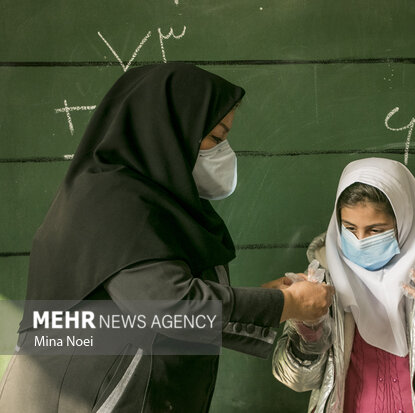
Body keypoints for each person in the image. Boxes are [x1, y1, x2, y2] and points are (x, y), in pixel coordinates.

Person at [0, 63, 332, 412]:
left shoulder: (149, 200)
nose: (224, 152)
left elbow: (164, 313)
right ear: (170, 129)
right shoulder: (114, 201)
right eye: (216, 138)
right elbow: (168, 306)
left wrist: (268, 303)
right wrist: (285, 305)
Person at [273, 157, 415, 412]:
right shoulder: (319, 283)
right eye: (349, 228)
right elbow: (297, 381)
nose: (359, 240)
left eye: (375, 230)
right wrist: (310, 335)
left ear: (403, 223)